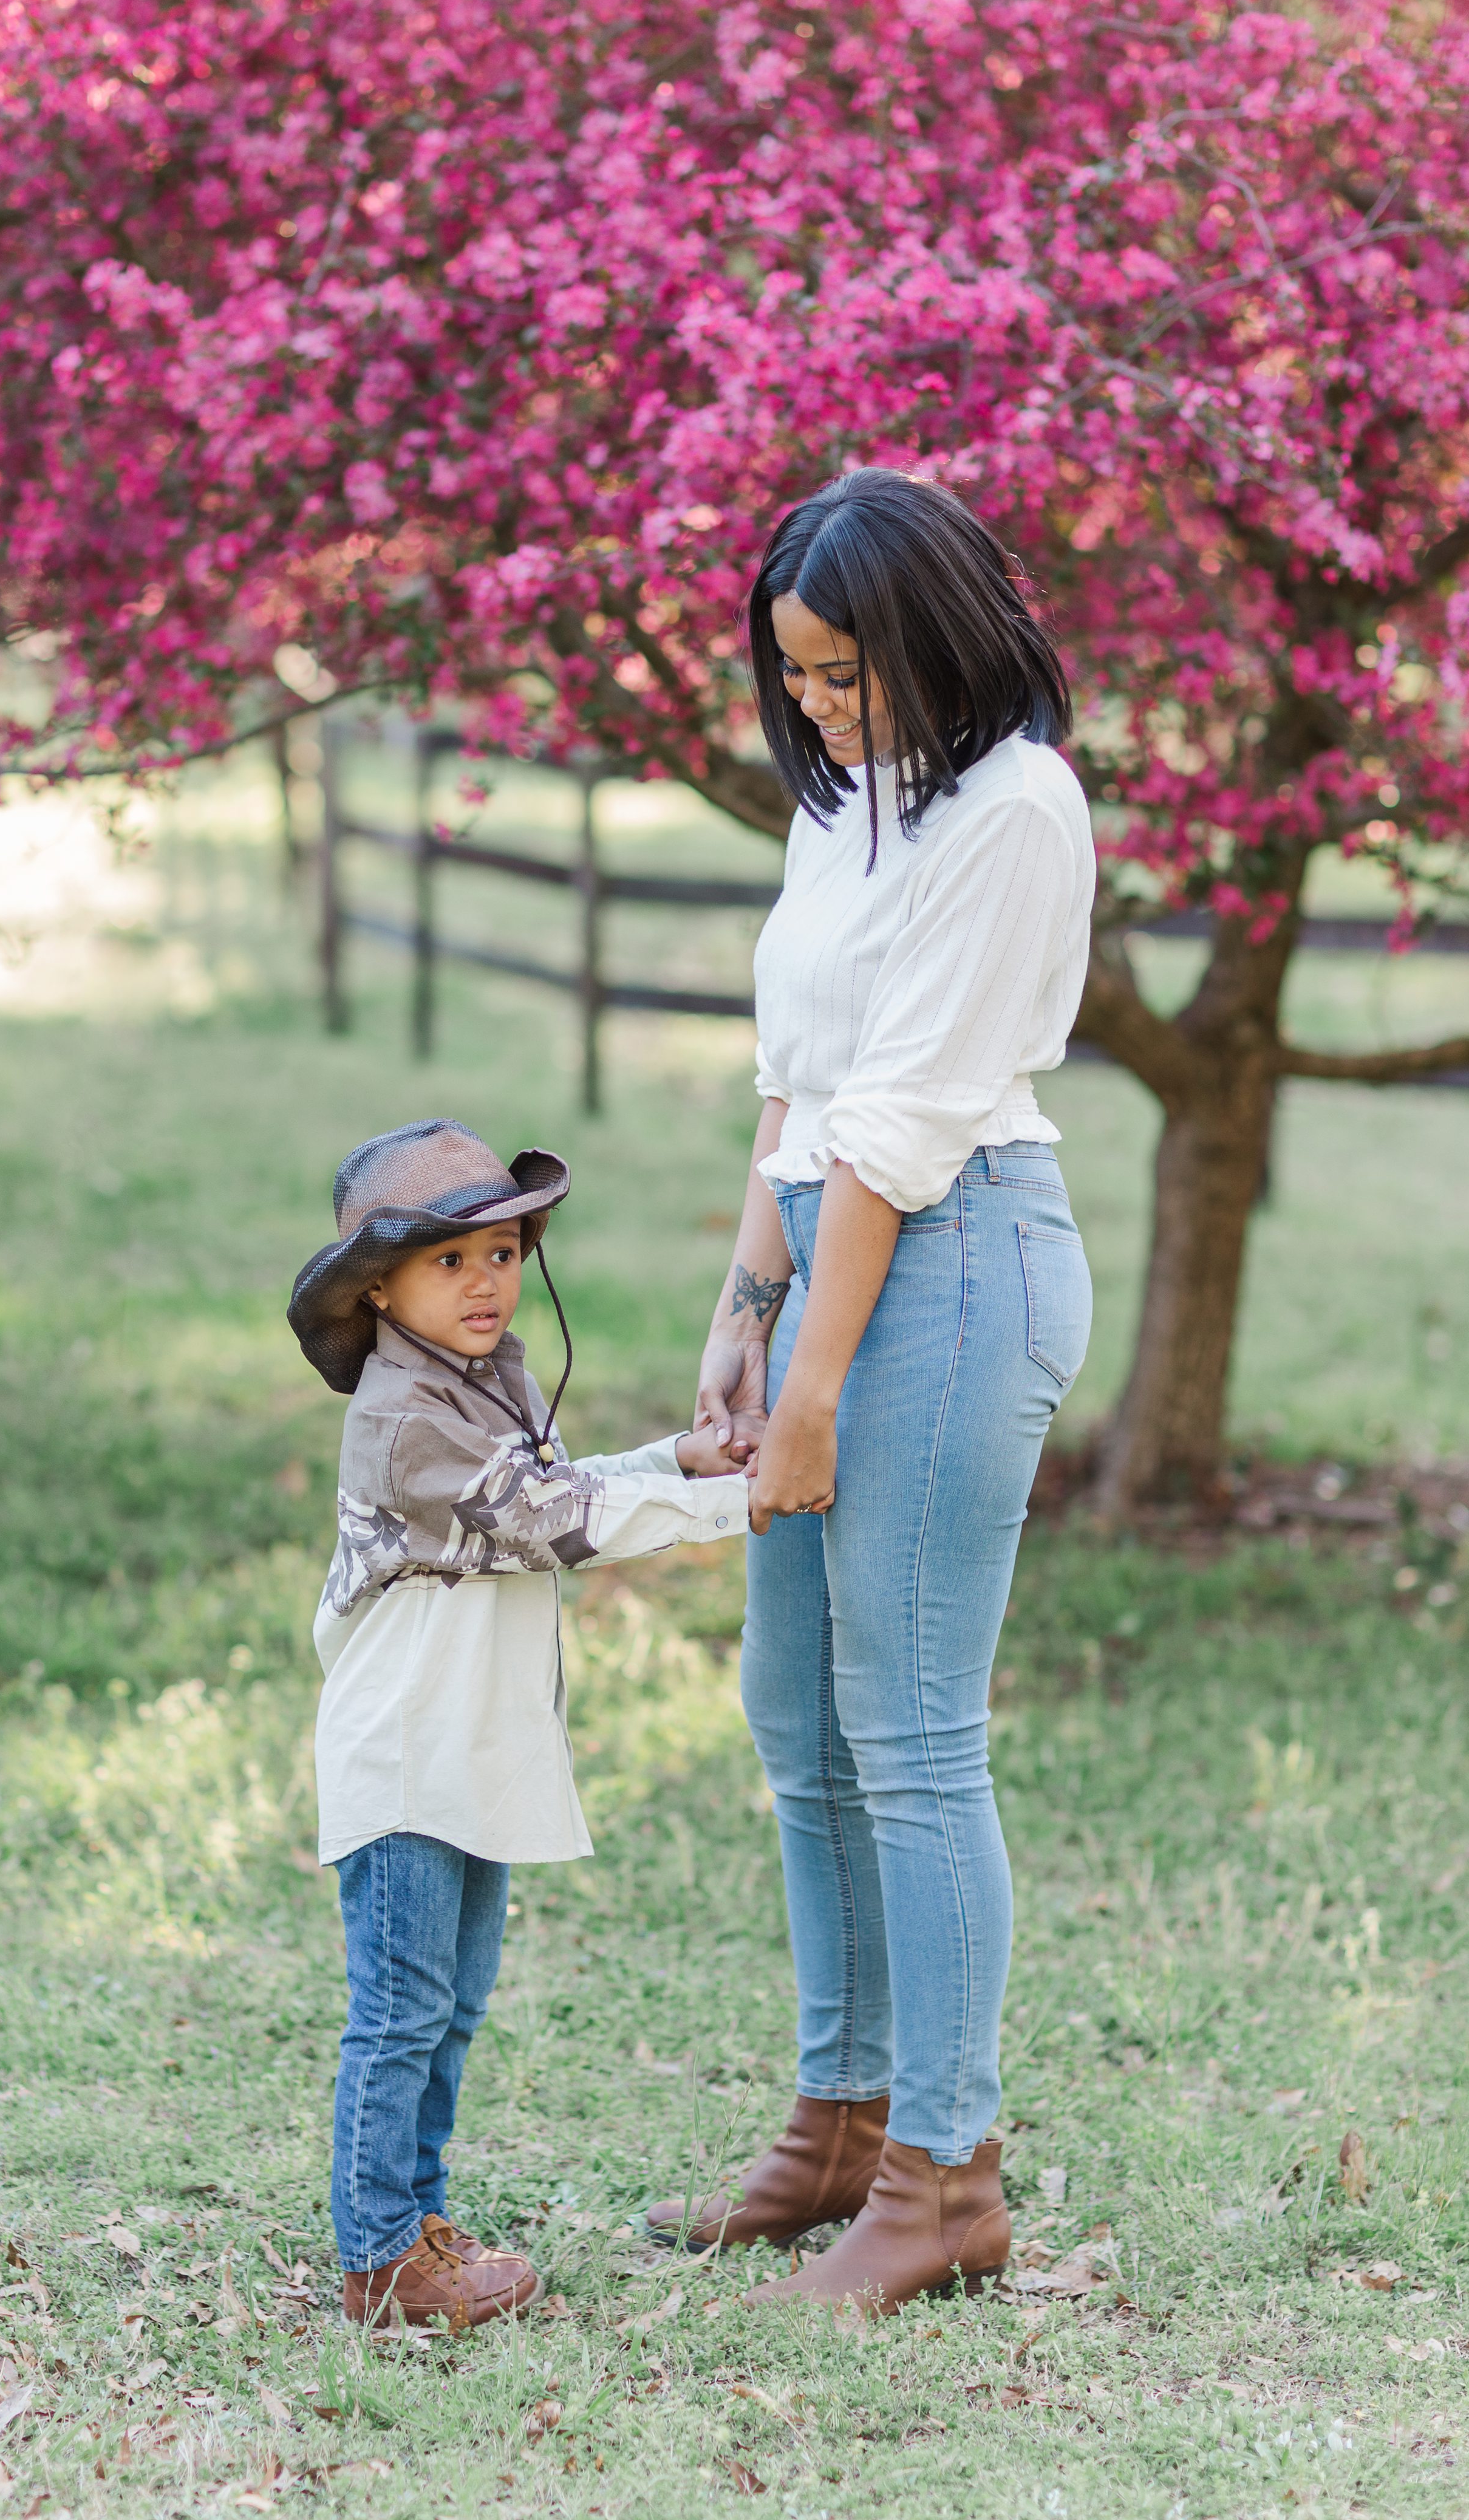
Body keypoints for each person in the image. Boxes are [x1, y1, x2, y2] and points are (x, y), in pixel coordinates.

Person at [646, 469, 1096, 2314]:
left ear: (937, 627)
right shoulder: (853, 802)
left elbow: (904, 1127)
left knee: (908, 1730)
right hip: (834, 1248)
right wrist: (745, 1309)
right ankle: (840, 2119)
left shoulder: (1015, 808)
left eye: (849, 671)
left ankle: (947, 2172)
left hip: (953, 1255)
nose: (823, 709)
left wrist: (818, 1379)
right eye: (800, 677)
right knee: (796, 1714)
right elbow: (803, 1078)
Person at [288, 1118, 749, 2330]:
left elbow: (559, 1483)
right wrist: (742, 1496)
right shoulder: (405, 1421)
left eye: (502, 1252)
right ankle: (380, 2254)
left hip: (473, 1743)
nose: (487, 1280)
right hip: (406, 1750)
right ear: (377, 1289)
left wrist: (678, 1457)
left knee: (451, 2004)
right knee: (399, 2010)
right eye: (451, 1262)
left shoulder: (485, 1378)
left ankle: (420, 2224)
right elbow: (552, 1519)